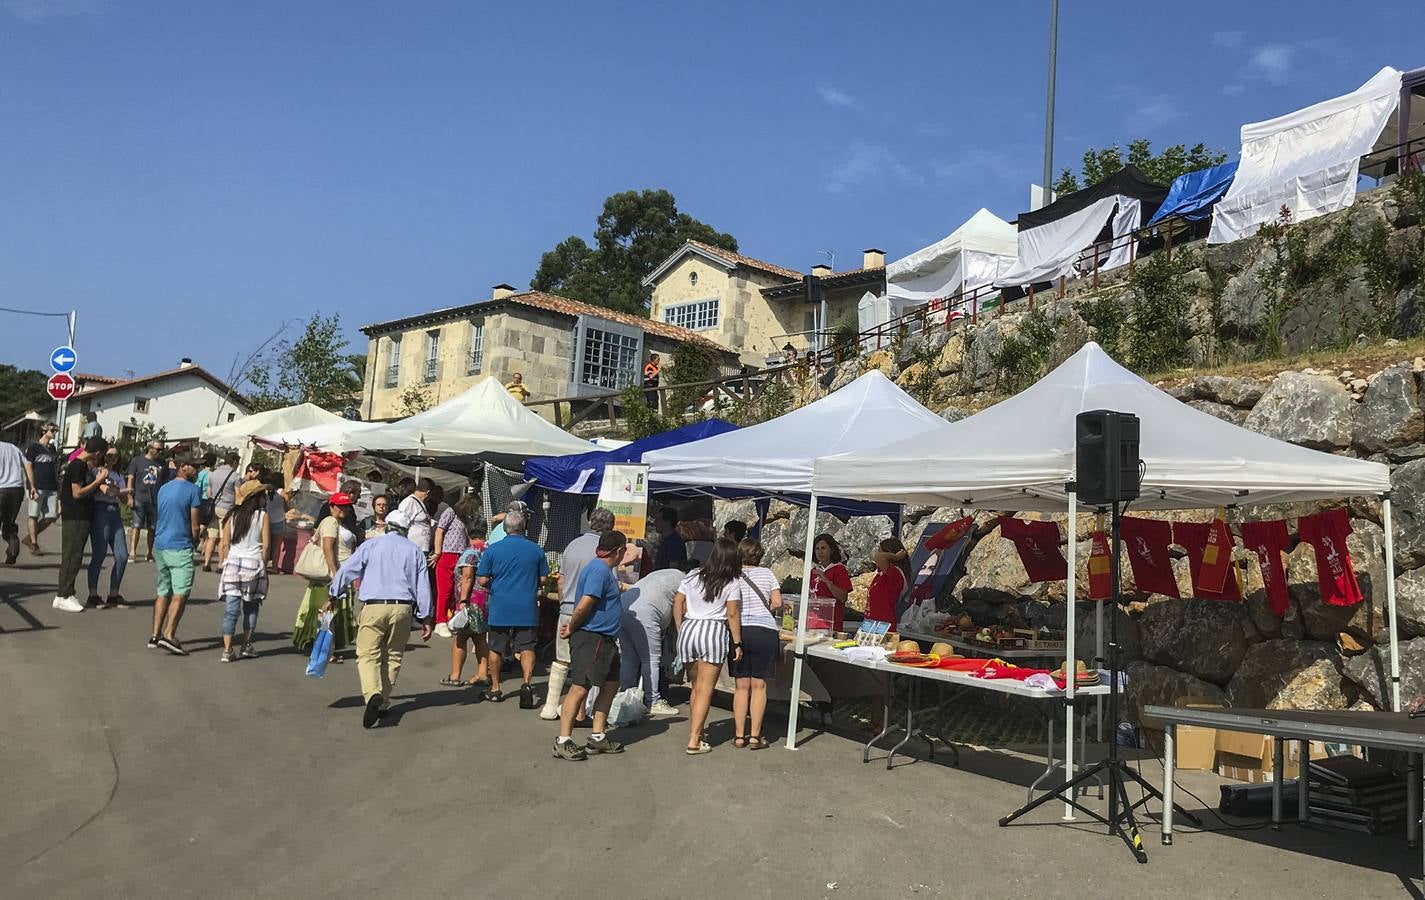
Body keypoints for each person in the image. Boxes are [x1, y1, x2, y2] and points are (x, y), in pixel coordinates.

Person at [328, 508, 434, 729]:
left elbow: (348, 569)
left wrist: (333, 594)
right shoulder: (414, 551)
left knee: (367, 655)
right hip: (403, 609)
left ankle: (372, 694)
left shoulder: (371, 545)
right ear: (405, 530)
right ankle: (383, 700)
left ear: (386, 526)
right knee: (393, 655)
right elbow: (423, 587)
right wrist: (426, 618)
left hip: (374, 606)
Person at [553, 530, 630, 761]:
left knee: (611, 684)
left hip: (606, 639)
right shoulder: (598, 571)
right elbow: (585, 604)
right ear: (618, 551)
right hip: (592, 637)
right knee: (580, 686)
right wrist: (573, 626)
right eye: (624, 550)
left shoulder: (604, 570)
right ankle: (563, 740)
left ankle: (598, 735)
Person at [541, 507, 618, 721]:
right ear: (610, 527)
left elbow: (562, 580)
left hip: (566, 608)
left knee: (561, 660)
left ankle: (550, 705)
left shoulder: (572, 545)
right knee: (582, 667)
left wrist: (565, 600)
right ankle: (578, 714)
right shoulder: (605, 551)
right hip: (590, 615)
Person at [674, 538, 743, 754]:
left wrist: (679, 627)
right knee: (705, 689)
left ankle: (698, 731)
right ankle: (695, 738)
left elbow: (677, 601)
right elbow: (732, 613)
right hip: (712, 631)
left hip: (689, 629)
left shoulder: (693, 574)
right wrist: (737, 642)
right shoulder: (731, 582)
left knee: (695, 686)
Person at [476, 507, 548, 706]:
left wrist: (495, 583)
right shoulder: (536, 550)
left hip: (501, 604)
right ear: (523, 527)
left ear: (505, 528)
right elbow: (543, 579)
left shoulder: (493, 549)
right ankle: (526, 683)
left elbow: (482, 580)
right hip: (526, 606)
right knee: (527, 646)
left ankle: (496, 687)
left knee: (496, 647)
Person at [729, 539, 783, 749]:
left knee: (741, 686)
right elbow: (777, 602)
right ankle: (755, 736)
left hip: (740, 630)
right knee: (759, 685)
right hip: (765, 630)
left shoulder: (733, 575)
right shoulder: (768, 574)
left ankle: (739, 735)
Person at [292, 493, 359, 654]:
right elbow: (327, 548)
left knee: (330, 613)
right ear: (331, 507)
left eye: (346, 506)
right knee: (328, 613)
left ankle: (326, 648)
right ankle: (325, 650)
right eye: (339, 506)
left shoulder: (339, 523)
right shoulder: (330, 522)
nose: (343, 509)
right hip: (329, 575)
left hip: (337, 573)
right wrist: (335, 574)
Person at [148, 455, 202, 652]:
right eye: (194, 466)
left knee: (163, 590)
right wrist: (195, 540)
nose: (197, 469)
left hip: (161, 543)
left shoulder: (164, 488)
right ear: (182, 466)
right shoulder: (193, 490)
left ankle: (155, 635)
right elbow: (194, 524)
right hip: (180, 544)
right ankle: (169, 635)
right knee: (181, 593)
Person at [618, 566, 686, 718]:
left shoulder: (663, 573)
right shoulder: (685, 581)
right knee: (651, 658)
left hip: (623, 606)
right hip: (646, 613)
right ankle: (653, 701)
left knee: (629, 657)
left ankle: (627, 696)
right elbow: (680, 605)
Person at [54, 437, 110, 613]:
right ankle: (63, 595)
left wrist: (95, 473)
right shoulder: (77, 466)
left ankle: (67, 592)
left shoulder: (84, 466)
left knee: (75, 556)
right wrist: (98, 481)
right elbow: (77, 493)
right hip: (75, 516)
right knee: (72, 555)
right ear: (98, 452)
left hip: (81, 516)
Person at [217, 481, 270, 662]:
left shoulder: (232, 515)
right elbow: (267, 545)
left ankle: (227, 649)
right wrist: (264, 563)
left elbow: (224, 543)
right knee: (251, 607)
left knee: (231, 610)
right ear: (256, 498)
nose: (266, 498)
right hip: (254, 565)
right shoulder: (262, 516)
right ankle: (246, 644)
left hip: (233, 565)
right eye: (264, 495)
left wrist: (223, 561)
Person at [444, 515, 489, 687]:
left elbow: (467, 576)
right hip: (485, 600)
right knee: (480, 638)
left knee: (460, 638)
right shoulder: (488, 550)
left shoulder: (470, 552)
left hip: (471, 601)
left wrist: (463, 601)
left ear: (468, 532)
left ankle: (455, 675)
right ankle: (483, 674)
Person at [86, 446, 130, 608]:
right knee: (99, 554)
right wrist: (123, 491)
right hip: (101, 510)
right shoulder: (98, 471)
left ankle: (113, 594)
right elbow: (107, 491)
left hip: (114, 513)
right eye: (110, 455)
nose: (113, 458)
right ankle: (93, 594)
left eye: (116, 456)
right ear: (103, 456)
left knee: (122, 556)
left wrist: (123, 492)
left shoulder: (118, 475)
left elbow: (124, 499)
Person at [431, 490, 468, 638]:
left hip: (461, 555)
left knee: (455, 591)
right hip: (447, 554)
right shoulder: (450, 512)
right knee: (445, 590)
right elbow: (439, 531)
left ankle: (449, 617)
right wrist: (438, 552)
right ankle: (440, 620)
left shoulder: (466, 518)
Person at [126, 441, 168, 563]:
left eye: (161, 450)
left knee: (152, 527)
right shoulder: (137, 461)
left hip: (155, 499)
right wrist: (130, 496)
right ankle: (132, 551)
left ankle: (149, 552)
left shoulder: (161, 464)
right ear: (150, 448)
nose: (159, 452)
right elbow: (131, 478)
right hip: (140, 497)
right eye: (157, 449)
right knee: (136, 525)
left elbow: (165, 481)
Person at [23, 421, 61, 556]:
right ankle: (34, 543)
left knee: (51, 516)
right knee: (33, 514)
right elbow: (28, 467)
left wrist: (58, 487)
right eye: (52, 430)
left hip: (52, 487)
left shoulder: (52, 449)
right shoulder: (34, 448)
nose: (55, 433)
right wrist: (32, 486)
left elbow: (55, 469)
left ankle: (30, 536)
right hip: (38, 486)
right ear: (44, 431)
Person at [201, 452, 240, 570]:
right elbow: (238, 494)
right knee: (224, 538)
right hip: (227, 508)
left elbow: (209, 492)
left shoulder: (213, 474)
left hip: (214, 507)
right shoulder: (235, 476)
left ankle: (206, 563)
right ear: (234, 462)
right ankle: (221, 564)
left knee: (212, 536)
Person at [807, 532, 852, 632]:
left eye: (823, 548)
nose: (820, 552)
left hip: (831, 625)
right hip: (813, 623)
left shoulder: (839, 569)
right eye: (817, 549)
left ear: (831, 550)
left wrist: (827, 581)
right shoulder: (813, 571)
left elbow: (843, 597)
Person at [0, 439, 33, 565]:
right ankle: (13, 546)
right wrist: (32, 486)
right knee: (9, 521)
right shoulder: (14, 448)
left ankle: (12, 548)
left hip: (1, 488)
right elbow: (28, 465)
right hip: (16, 489)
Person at [866, 537, 911, 625]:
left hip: (883, 625)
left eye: (881, 551)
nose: (878, 553)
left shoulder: (895, 574)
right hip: (871, 623)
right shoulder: (882, 573)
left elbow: (878, 557)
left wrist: (896, 557)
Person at [262, 471, 294, 574]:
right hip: (279, 520)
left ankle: (263, 565)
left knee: (265, 545)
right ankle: (275, 567)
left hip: (266, 520)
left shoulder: (265, 491)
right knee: (277, 546)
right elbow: (288, 506)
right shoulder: (282, 492)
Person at [396, 477, 434, 556]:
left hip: (420, 549)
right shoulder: (409, 502)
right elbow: (399, 524)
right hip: (411, 550)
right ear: (428, 492)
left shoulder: (419, 503)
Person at [653, 506, 686, 571]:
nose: (655, 523)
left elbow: (673, 569)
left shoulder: (674, 542)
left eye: (658, 520)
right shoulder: (666, 540)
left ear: (667, 522)